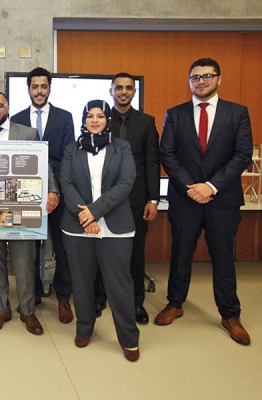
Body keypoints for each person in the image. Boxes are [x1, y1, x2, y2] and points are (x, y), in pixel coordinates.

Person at [156, 58, 252, 345]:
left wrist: (210, 187)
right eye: (195, 77)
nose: (201, 81)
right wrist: (191, 187)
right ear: (189, 81)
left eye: (207, 76)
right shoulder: (175, 114)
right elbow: (168, 155)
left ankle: (230, 314)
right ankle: (175, 304)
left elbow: (242, 154)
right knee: (181, 253)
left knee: (223, 257)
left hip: (222, 200)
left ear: (218, 79)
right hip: (185, 199)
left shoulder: (237, 113)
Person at [60, 100, 140, 362]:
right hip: (77, 227)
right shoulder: (72, 149)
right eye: (90, 116)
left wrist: (94, 212)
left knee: (119, 285)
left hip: (115, 227)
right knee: (81, 282)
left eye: (100, 116)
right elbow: (67, 183)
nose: (95, 120)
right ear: (83, 120)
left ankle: (129, 338)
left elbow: (126, 182)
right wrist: (85, 217)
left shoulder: (122, 148)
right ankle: (84, 329)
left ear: (108, 120)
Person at [0, 91, 55, 335]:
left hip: (22, 208)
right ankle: (1, 309)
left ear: (7, 107)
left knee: (24, 263)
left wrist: (53, 190)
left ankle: (27, 311)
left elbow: (44, 164)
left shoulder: (27, 133)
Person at [92, 72, 160, 324]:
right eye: (118, 87)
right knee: (100, 248)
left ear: (134, 92)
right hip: (101, 199)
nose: (123, 91)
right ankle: (99, 297)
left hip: (135, 200)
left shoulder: (146, 122)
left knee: (134, 254)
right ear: (111, 91)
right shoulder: (98, 119)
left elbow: (152, 162)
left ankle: (136, 303)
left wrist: (154, 199)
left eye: (128, 88)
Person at [11, 66, 75, 324]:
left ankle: (63, 296)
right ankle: (34, 292)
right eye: (34, 86)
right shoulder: (15, 120)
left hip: (57, 192)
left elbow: (68, 157)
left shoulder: (64, 117)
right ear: (28, 89)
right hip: (25, 194)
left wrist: (55, 190)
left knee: (62, 245)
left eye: (44, 86)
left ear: (49, 88)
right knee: (29, 247)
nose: (39, 91)